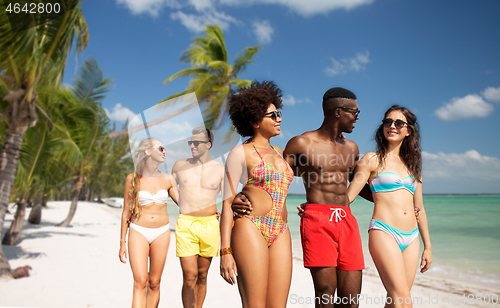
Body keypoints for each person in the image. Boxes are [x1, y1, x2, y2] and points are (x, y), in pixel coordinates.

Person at [346, 105, 431, 308]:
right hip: (384, 232)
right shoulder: (371, 160)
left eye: (399, 123)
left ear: (408, 130)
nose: (392, 126)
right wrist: (317, 204)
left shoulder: (413, 166)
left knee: (395, 301)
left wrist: (428, 246)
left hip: (411, 238)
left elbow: (419, 206)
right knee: (404, 301)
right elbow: (348, 196)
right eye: (388, 122)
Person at [220, 81, 293, 307]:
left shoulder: (282, 153)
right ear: (254, 121)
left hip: (281, 230)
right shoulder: (240, 152)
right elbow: (227, 202)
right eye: (272, 115)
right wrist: (225, 251)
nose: (278, 118)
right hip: (250, 226)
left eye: (278, 113)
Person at [119, 138, 179, 308]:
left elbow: (185, 203)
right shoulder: (132, 179)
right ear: (147, 152)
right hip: (138, 231)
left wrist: (209, 210)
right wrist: (122, 242)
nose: (164, 151)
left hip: (162, 232)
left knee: (154, 282)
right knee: (140, 281)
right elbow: (126, 212)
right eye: (160, 148)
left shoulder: (168, 179)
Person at [171, 127, 224, 308]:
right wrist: (183, 203)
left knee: (202, 275)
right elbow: (168, 186)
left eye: (196, 143)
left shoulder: (221, 169)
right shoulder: (179, 165)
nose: (192, 146)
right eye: (190, 142)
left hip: (210, 224)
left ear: (208, 145)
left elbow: (229, 200)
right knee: (189, 275)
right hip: (186, 223)